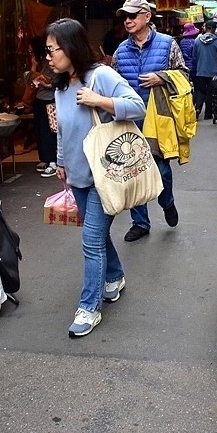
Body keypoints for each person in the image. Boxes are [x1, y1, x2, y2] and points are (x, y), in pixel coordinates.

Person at [46, 18, 146, 337]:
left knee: (90, 241)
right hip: (76, 176)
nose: (48, 57)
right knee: (97, 237)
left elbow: (137, 105)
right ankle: (114, 276)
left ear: (70, 47)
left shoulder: (100, 76)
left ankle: (89, 307)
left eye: (52, 50)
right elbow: (62, 128)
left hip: (104, 177)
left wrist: (99, 101)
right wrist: (60, 161)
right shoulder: (61, 85)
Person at [111, 0, 188, 243]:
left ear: (147, 16)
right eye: (125, 17)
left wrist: (161, 77)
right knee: (133, 173)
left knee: (162, 169)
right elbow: (112, 83)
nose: (128, 21)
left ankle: (167, 202)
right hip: (129, 121)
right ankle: (140, 222)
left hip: (159, 119)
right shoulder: (121, 50)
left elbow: (185, 75)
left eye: (132, 15)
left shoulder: (167, 44)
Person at [27, 36, 58, 177]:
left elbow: (58, 80)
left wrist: (48, 84)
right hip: (39, 99)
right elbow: (29, 81)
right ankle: (46, 158)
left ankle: (53, 162)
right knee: (41, 131)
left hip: (50, 100)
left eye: (31, 48)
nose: (29, 50)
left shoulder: (50, 61)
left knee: (50, 130)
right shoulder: (38, 62)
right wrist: (33, 66)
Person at [192, 20, 217, 122]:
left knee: (200, 91)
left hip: (200, 70)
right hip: (213, 71)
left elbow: (194, 56)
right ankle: (208, 113)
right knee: (211, 92)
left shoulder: (197, 41)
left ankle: (197, 108)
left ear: (206, 28)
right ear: (213, 29)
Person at [179, 23, 199, 104]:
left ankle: (188, 102)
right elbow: (195, 55)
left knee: (187, 86)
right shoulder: (194, 42)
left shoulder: (182, 42)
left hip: (185, 66)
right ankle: (195, 103)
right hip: (193, 66)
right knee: (196, 86)